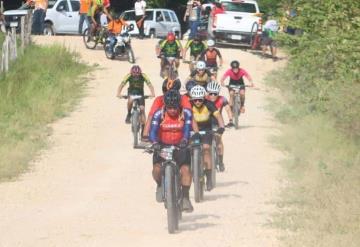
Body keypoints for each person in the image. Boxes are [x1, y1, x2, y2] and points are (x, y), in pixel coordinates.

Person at [149, 90, 194, 212]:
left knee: (186, 170)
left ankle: (185, 197)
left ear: (179, 105)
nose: (173, 110)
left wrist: (185, 140)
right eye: (169, 108)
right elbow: (152, 131)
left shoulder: (185, 114)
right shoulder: (159, 114)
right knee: (157, 169)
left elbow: (187, 128)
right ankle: (159, 185)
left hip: (180, 146)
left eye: (175, 107)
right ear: (165, 106)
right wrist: (155, 143)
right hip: (162, 146)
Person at [190, 85, 225, 191]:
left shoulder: (209, 104)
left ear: (203, 98)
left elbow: (218, 116)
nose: (197, 102)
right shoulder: (189, 106)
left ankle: (209, 178)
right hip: (192, 131)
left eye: (200, 99)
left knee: (206, 148)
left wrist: (221, 127)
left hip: (206, 130)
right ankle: (193, 169)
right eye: (195, 100)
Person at [206, 81, 233, 172]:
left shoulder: (222, 99)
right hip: (205, 123)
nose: (213, 95)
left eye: (215, 93)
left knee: (218, 142)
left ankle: (220, 162)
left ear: (218, 93)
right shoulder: (203, 99)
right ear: (207, 93)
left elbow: (228, 109)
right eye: (211, 93)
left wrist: (230, 120)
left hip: (217, 123)